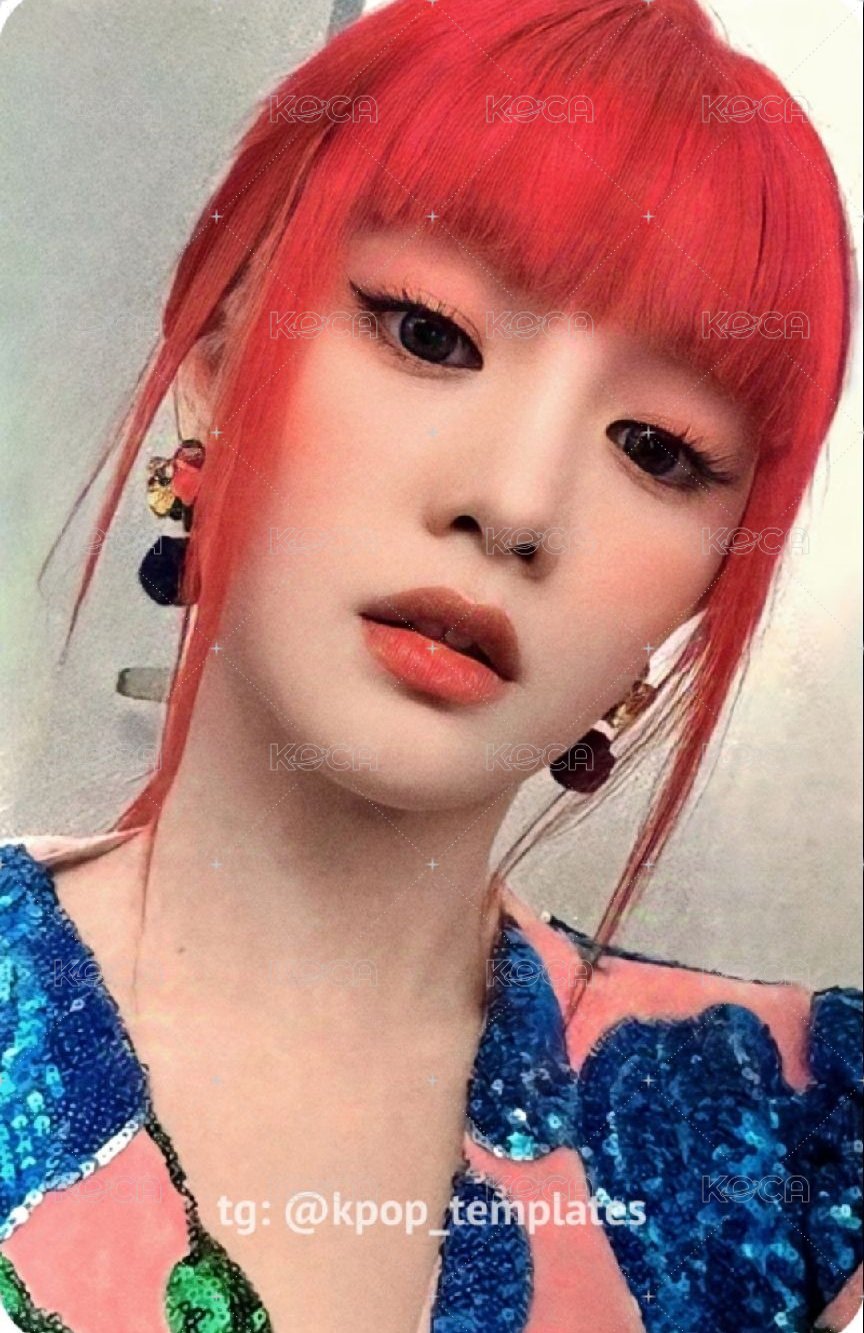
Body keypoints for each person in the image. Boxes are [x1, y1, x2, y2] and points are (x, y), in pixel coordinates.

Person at [1, 0, 860, 1328]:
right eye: (426, 334)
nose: (515, 505)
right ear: (217, 362)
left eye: (657, 449)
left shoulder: (794, 1148)